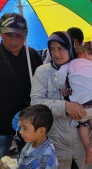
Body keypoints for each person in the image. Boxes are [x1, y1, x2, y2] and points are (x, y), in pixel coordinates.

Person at [30, 31, 92, 169]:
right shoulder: (43, 72)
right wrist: (65, 106)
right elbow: (36, 102)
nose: (56, 54)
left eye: (61, 48)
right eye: (52, 49)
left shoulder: (84, 66)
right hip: (58, 144)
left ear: (70, 48)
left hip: (86, 142)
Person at [0, 12, 43, 158]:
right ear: (1, 33)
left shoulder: (33, 55)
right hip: (1, 127)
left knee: (29, 162)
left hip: (28, 125)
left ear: (25, 35)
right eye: (8, 35)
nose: (13, 41)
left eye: (19, 36)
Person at [54, 46, 92, 164]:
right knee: (91, 112)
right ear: (83, 53)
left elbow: (60, 77)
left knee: (81, 122)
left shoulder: (68, 65)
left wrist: (61, 87)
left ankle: (88, 147)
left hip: (80, 99)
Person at [18, 104, 58, 168]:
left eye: (25, 128)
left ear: (41, 131)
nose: (20, 132)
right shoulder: (30, 142)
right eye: (20, 127)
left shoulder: (47, 158)